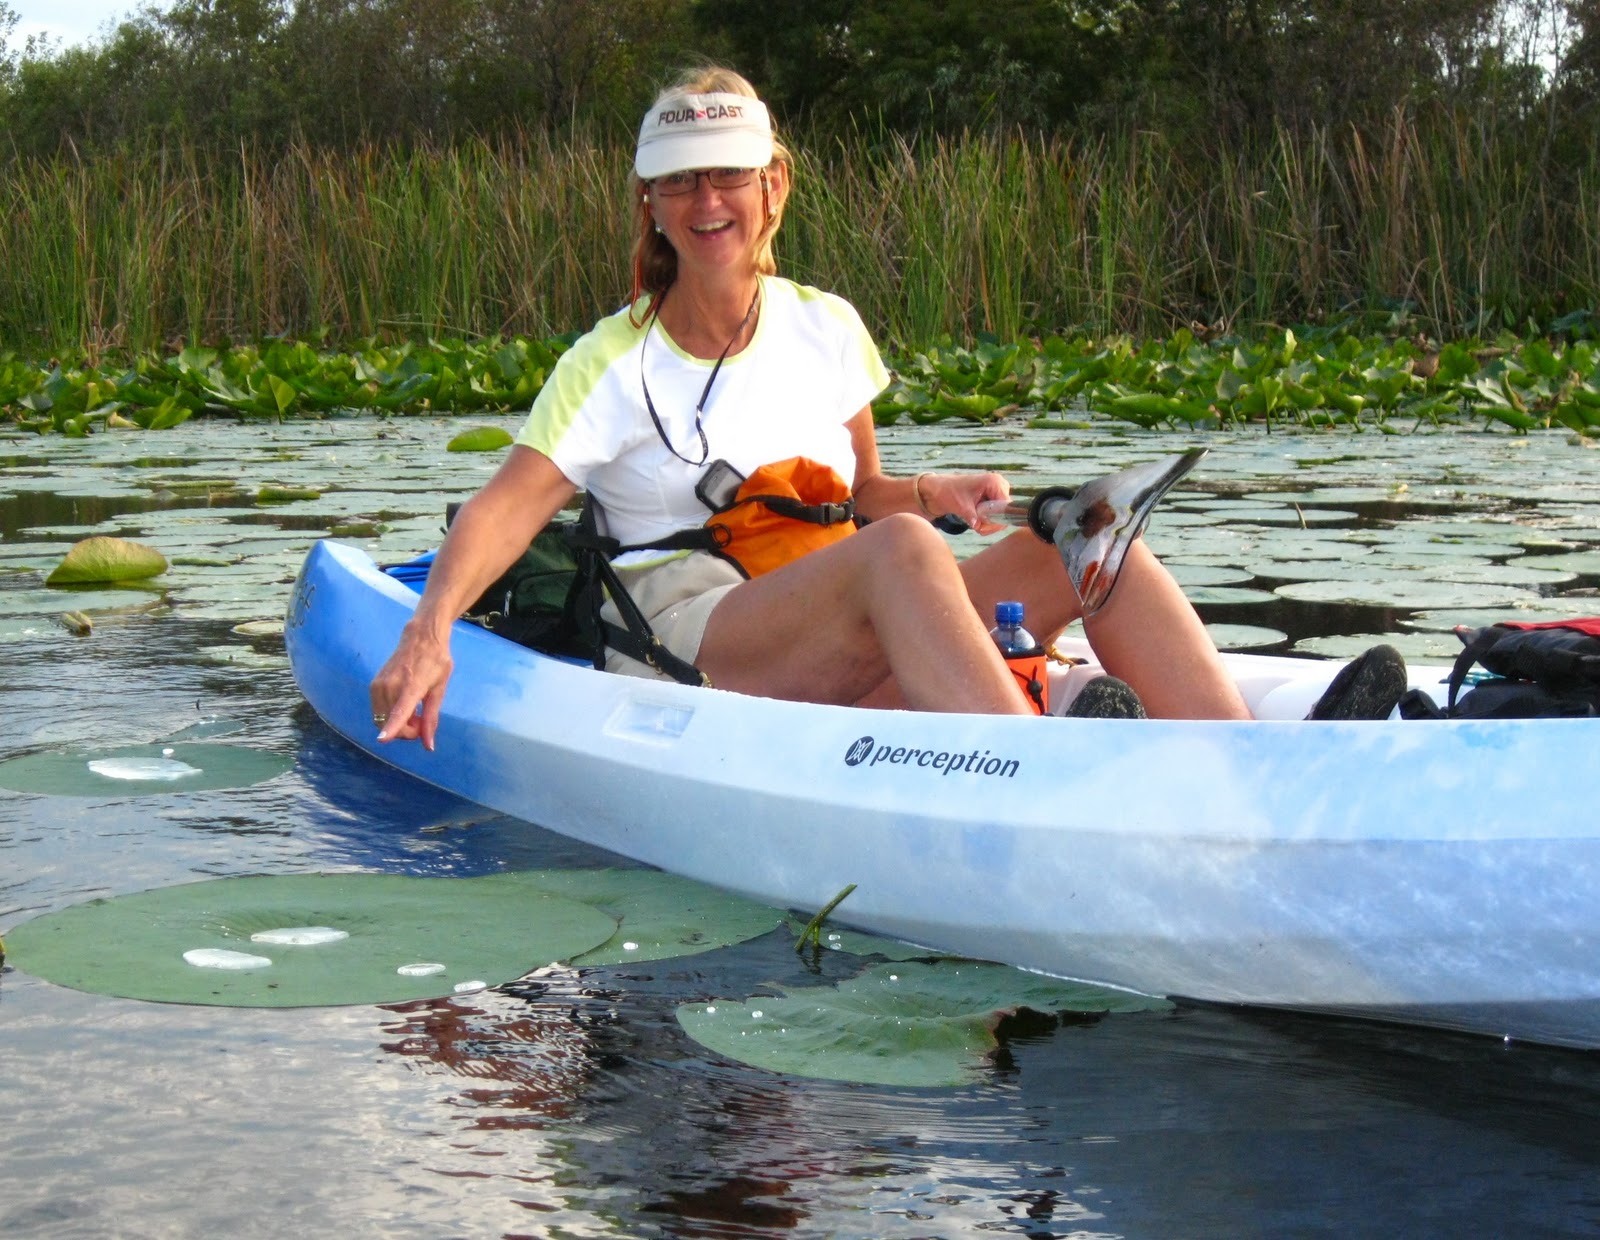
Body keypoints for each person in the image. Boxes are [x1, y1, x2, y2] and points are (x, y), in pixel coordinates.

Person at [370, 66, 1254, 750]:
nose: (706, 201)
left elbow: (864, 491)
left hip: (837, 610)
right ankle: (1035, 783)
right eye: (679, 182)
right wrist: (429, 630)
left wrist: (930, 490)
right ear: (649, 202)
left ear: (774, 186)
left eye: (728, 176)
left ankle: (1252, 772)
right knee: (900, 554)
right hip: (692, 631)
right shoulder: (608, 362)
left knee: (1094, 545)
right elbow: (504, 509)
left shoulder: (827, 326)